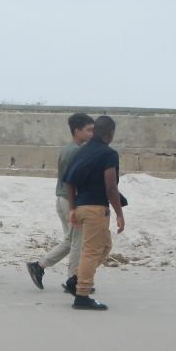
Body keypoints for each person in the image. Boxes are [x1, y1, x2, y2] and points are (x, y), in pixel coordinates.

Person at [26, 113, 94, 292]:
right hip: (70, 201)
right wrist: (74, 206)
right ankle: (73, 280)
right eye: (88, 130)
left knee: (71, 241)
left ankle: (40, 266)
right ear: (77, 131)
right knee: (77, 242)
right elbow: (74, 181)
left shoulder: (68, 149)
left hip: (62, 199)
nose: (91, 134)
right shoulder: (76, 151)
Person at [63, 115, 124, 310]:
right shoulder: (109, 154)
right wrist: (119, 214)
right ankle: (82, 295)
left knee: (105, 246)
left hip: (81, 207)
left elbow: (68, 181)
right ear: (111, 133)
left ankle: (76, 280)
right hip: (96, 209)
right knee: (91, 252)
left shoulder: (82, 151)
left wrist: (73, 208)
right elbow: (111, 187)